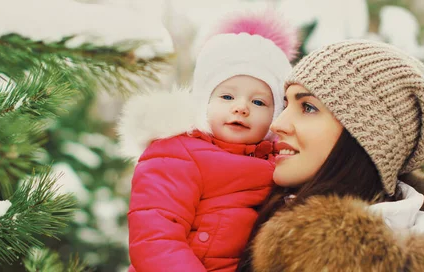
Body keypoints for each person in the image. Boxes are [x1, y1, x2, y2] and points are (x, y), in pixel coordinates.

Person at [237, 40, 424, 271]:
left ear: (371, 135)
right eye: (286, 104)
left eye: (308, 107)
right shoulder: (252, 204)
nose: (277, 124)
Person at [117, 10, 298, 272]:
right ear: (204, 102)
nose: (241, 108)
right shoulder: (176, 153)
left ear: (275, 115)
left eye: (258, 102)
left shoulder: (279, 167)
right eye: (227, 97)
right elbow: (155, 238)